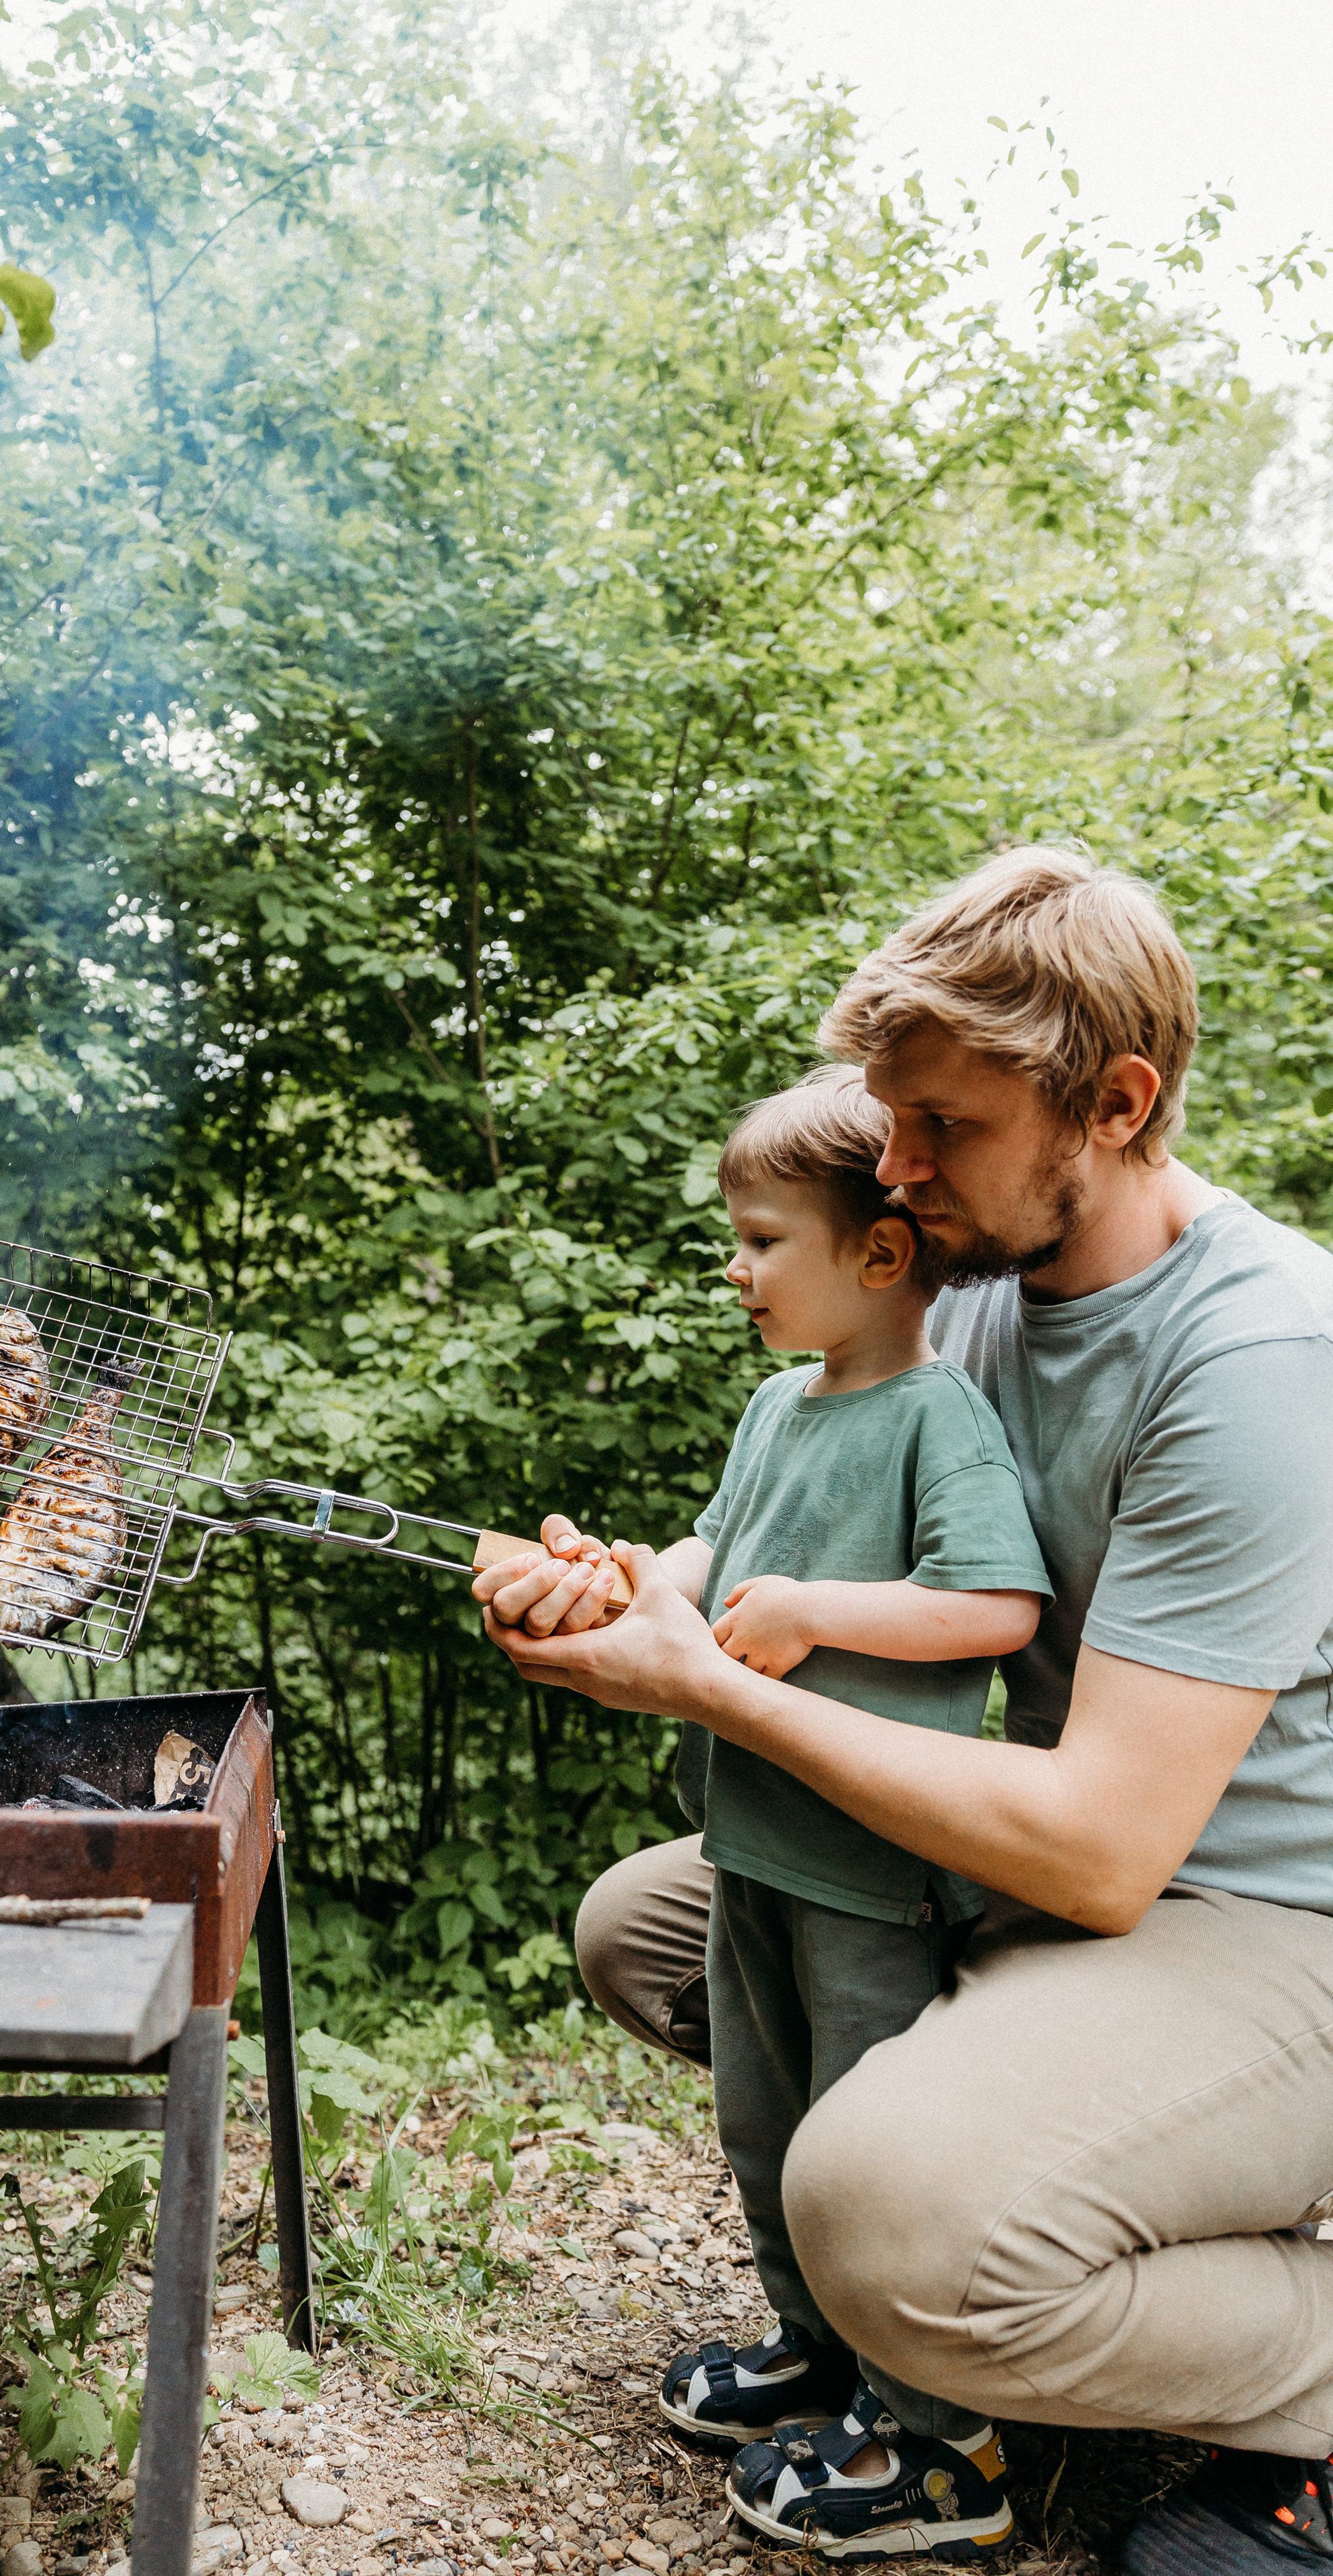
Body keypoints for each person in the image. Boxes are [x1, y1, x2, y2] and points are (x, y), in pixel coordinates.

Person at [474, 848, 1333, 2576]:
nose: (896, 1165)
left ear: (1113, 1104)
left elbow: (1100, 1854)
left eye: (941, 1125)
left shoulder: (1252, 1363)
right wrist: (646, 1599)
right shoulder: (980, 1280)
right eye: (889, 1117)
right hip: (1090, 1858)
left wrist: (714, 1683)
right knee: (656, 1931)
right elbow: (835, 1533)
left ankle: (1274, 2384)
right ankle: (917, 2318)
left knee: (889, 2211)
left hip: (1263, 1910)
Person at [596, 1062, 1051, 2559]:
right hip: (750, 1841)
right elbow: (708, 1550)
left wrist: (812, 1610)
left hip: (867, 1865)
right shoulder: (774, 1406)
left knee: (860, 2149)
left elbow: (990, 1604)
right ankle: (818, 2353)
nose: (733, 1269)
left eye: (759, 1239)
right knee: (762, 2119)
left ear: (878, 1253)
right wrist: (626, 1583)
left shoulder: (936, 1416)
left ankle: (941, 2443)